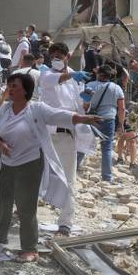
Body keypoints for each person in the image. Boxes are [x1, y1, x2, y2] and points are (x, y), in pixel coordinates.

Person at [0, 72, 100, 262]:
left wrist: (83, 118)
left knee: (26, 206)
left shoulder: (36, 109)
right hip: (7, 163)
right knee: (3, 202)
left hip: (30, 163)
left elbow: (59, 115)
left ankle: (30, 249)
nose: (10, 89)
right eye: (9, 85)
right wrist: (1, 144)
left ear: (25, 90)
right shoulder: (5, 109)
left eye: (14, 86)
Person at [38, 42, 90, 236]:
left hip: (67, 135)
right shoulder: (46, 74)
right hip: (46, 135)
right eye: (53, 57)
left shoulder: (76, 78)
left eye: (60, 57)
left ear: (68, 57)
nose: (56, 60)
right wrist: (72, 76)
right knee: (37, 175)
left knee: (69, 179)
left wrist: (86, 101)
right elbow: (56, 79)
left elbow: (79, 107)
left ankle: (65, 223)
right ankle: (25, 212)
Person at [82, 64, 125, 182]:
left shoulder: (90, 85)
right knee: (107, 148)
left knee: (83, 144)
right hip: (109, 120)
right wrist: (121, 124)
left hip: (91, 119)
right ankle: (107, 177)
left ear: (98, 73)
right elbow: (121, 108)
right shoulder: (117, 88)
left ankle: (74, 169)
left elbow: (84, 104)